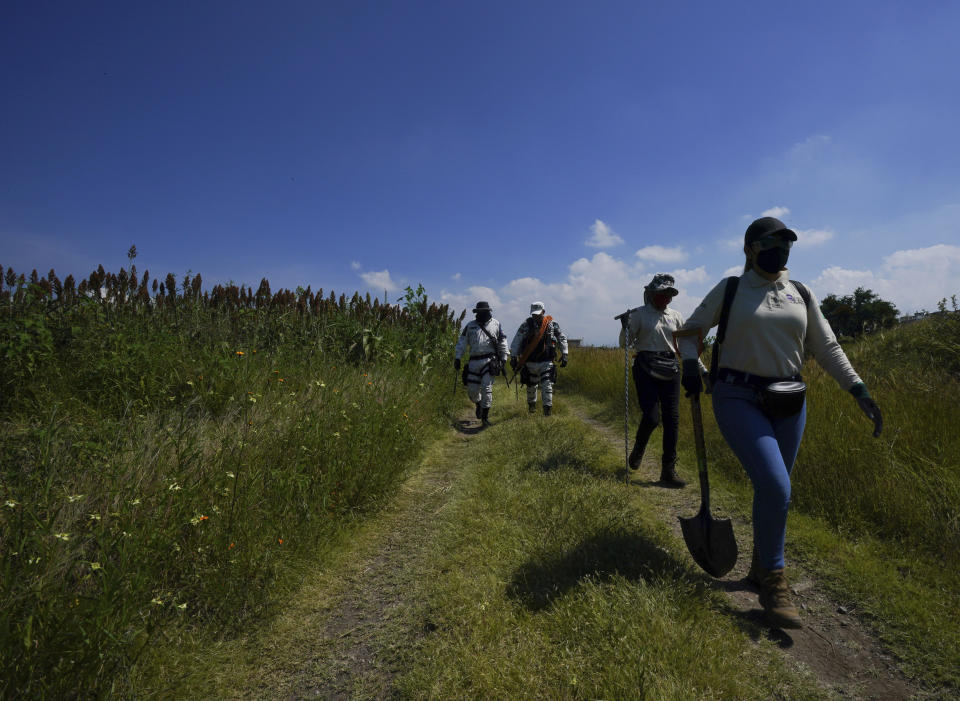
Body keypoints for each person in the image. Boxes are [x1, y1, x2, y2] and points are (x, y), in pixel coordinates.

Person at [676, 216, 883, 629]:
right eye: (774, 241)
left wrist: (857, 388)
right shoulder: (732, 288)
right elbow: (691, 332)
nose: (783, 249)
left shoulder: (799, 293)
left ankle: (757, 568)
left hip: (790, 400)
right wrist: (690, 365)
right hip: (737, 396)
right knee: (776, 484)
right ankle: (774, 581)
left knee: (776, 491)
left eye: (788, 242)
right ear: (751, 248)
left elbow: (826, 346)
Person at [619, 273, 703, 487]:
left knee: (672, 420)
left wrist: (703, 371)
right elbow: (625, 344)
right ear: (652, 293)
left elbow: (685, 346)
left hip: (670, 368)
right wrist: (625, 326)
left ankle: (668, 470)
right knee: (652, 417)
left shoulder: (676, 316)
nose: (666, 298)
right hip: (645, 367)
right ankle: (638, 449)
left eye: (669, 294)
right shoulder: (638, 314)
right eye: (662, 293)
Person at [454, 301, 509, 426]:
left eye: (483, 312)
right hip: (473, 361)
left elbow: (503, 341)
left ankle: (485, 417)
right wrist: (457, 358)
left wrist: (504, 358)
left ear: (488, 311)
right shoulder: (470, 326)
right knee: (472, 391)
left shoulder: (496, 324)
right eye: (478, 312)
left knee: (487, 389)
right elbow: (462, 342)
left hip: (489, 361)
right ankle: (478, 404)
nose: (480, 314)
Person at [509, 301, 568, 416]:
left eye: (538, 314)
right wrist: (513, 357)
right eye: (533, 314)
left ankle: (547, 412)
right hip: (530, 362)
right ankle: (532, 408)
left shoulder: (552, 324)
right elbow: (517, 340)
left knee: (547, 386)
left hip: (547, 361)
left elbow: (561, 337)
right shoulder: (526, 325)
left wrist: (564, 353)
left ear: (543, 312)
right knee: (531, 387)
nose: (535, 316)